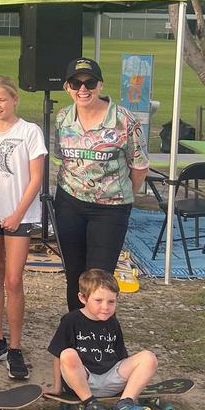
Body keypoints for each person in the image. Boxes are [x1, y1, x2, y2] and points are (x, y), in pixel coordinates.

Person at [53, 57, 149, 311]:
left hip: (110, 208)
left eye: (90, 83)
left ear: (101, 85)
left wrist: (122, 195)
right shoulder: (63, 118)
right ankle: (76, 326)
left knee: (99, 277)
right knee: (74, 273)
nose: (83, 89)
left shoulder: (124, 120)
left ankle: (98, 328)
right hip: (69, 203)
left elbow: (139, 167)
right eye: (76, 83)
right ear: (67, 87)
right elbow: (61, 159)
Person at [0, 76, 46, 380]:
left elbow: (36, 178)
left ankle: (15, 346)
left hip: (19, 215)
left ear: (14, 99)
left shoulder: (30, 131)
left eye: (1, 99)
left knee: (13, 280)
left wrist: (18, 213)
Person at [47, 268, 158, 410]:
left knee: (149, 357)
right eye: (98, 301)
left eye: (111, 301)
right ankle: (91, 406)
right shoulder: (70, 320)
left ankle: (125, 404)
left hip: (111, 379)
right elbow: (57, 354)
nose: (105, 306)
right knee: (67, 354)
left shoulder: (113, 322)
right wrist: (57, 388)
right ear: (83, 298)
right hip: (83, 382)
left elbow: (122, 357)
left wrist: (131, 384)